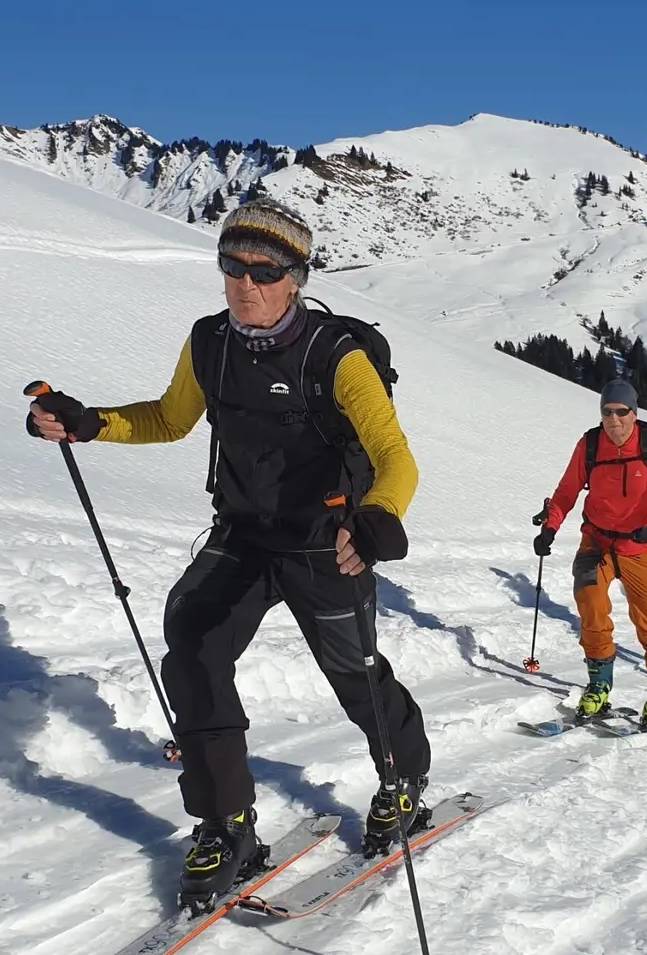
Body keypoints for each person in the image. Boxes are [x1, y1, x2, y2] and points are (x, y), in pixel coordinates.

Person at [26, 199, 431, 911]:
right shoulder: (209, 342)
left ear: (295, 278)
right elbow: (169, 418)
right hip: (244, 531)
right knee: (193, 639)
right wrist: (90, 424)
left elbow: (394, 454)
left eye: (264, 271)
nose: (246, 284)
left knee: (353, 672)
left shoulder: (337, 356)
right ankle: (227, 822)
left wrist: (379, 516)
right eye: (232, 266)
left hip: (326, 540)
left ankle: (403, 778)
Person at [535, 379, 647, 727]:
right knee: (590, 606)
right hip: (597, 541)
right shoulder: (590, 444)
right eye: (607, 412)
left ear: (634, 413)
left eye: (622, 412)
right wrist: (550, 528)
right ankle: (599, 684)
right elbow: (566, 492)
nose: (614, 419)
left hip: (640, 546)